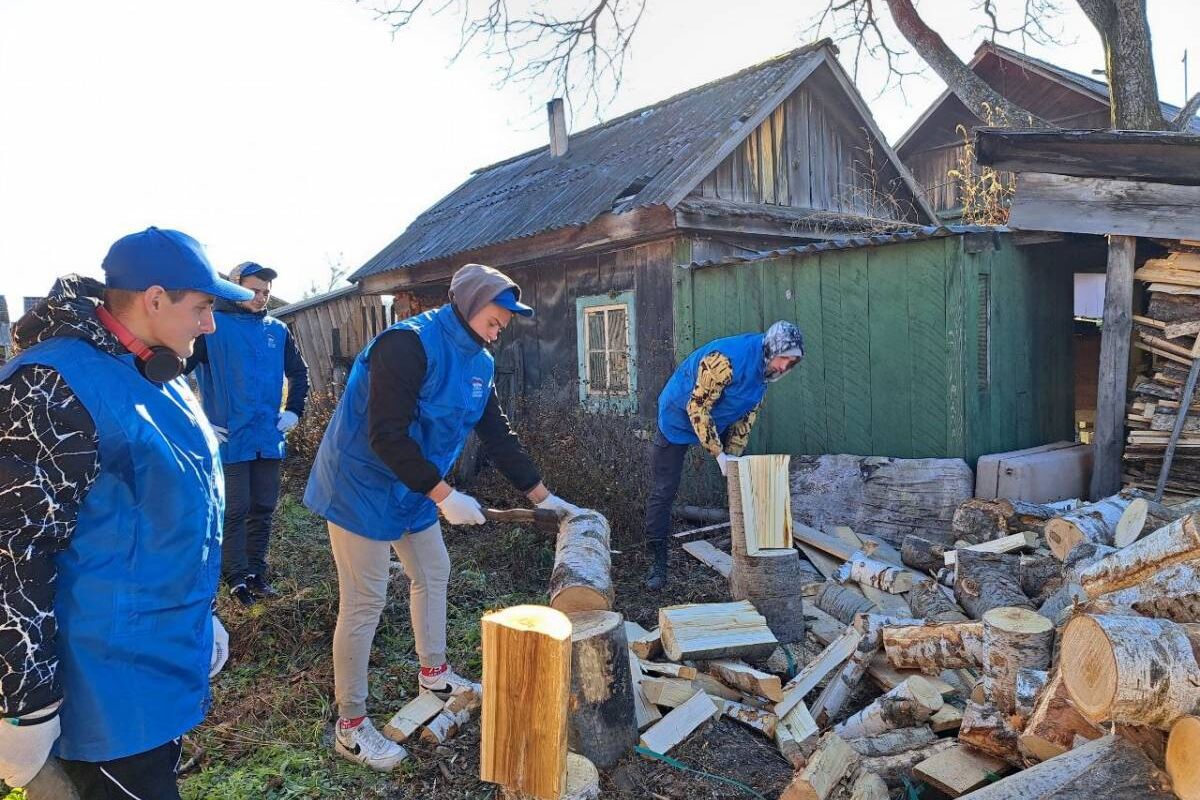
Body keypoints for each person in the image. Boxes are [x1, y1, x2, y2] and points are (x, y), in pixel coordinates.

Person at [0, 227, 248, 799]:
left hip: (159, 656)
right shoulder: (51, 386)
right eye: (203, 307)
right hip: (103, 685)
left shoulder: (155, 370)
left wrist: (199, 615)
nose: (210, 324)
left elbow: (165, 518)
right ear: (155, 299)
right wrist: (24, 702)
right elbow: (14, 552)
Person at [304, 263, 581, 771]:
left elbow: (497, 434)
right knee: (365, 601)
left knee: (433, 571)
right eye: (496, 321)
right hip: (359, 485)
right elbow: (385, 435)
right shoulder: (405, 346)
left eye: (503, 325)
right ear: (471, 305)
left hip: (415, 486)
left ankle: (435, 674)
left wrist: (544, 497)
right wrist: (445, 495)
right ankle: (350, 727)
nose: (500, 331)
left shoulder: (480, 362)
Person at [643, 320, 805, 590]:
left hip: (718, 418)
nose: (784, 367)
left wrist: (733, 456)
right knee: (664, 490)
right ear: (770, 349)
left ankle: (748, 549)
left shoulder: (765, 375)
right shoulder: (725, 361)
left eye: (791, 362)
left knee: (742, 477)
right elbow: (696, 407)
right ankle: (657, 562)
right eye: (783, 359)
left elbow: (746, 418)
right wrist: (719, 456)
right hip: (678, 417)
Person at [189, 261, 310, 606]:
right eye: (253, 291)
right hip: (229, 437)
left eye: (265, 293)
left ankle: (257, 572)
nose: (260, 298)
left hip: (267, 436)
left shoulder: (276, 330)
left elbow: (299, 374)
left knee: (264, 506)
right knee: (235, 508)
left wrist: (294, 411)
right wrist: (200, 419)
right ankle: (235, 578)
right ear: (235, 288)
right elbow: (175, 372)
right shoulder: (212, 327)